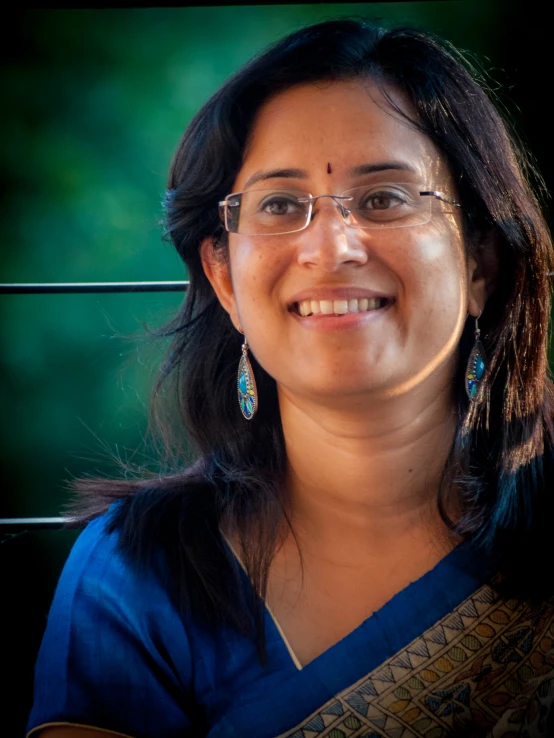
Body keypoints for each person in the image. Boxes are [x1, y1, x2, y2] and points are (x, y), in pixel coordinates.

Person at [26, 17, 554, 738]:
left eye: (385, 198)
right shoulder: (135, 578)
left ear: (480, 263)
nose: (331, 248)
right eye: (279, 205)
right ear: (225, 278)